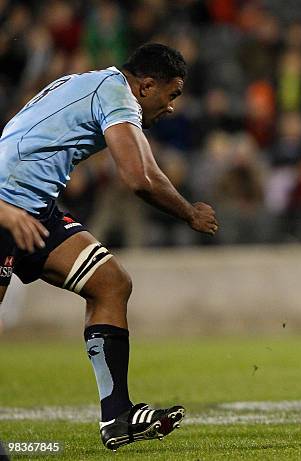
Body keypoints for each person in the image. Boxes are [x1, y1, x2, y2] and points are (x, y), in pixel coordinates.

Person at [0, 43, 218, 449]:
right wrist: (189, 213)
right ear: (146, 86)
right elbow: (139, 177)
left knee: (110, 283)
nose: (171, 107)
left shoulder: (96, 84)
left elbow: (146, 167)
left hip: (34, 206)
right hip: (6, 203)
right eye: (171, 95)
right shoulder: (116, 94)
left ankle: (117, 416)